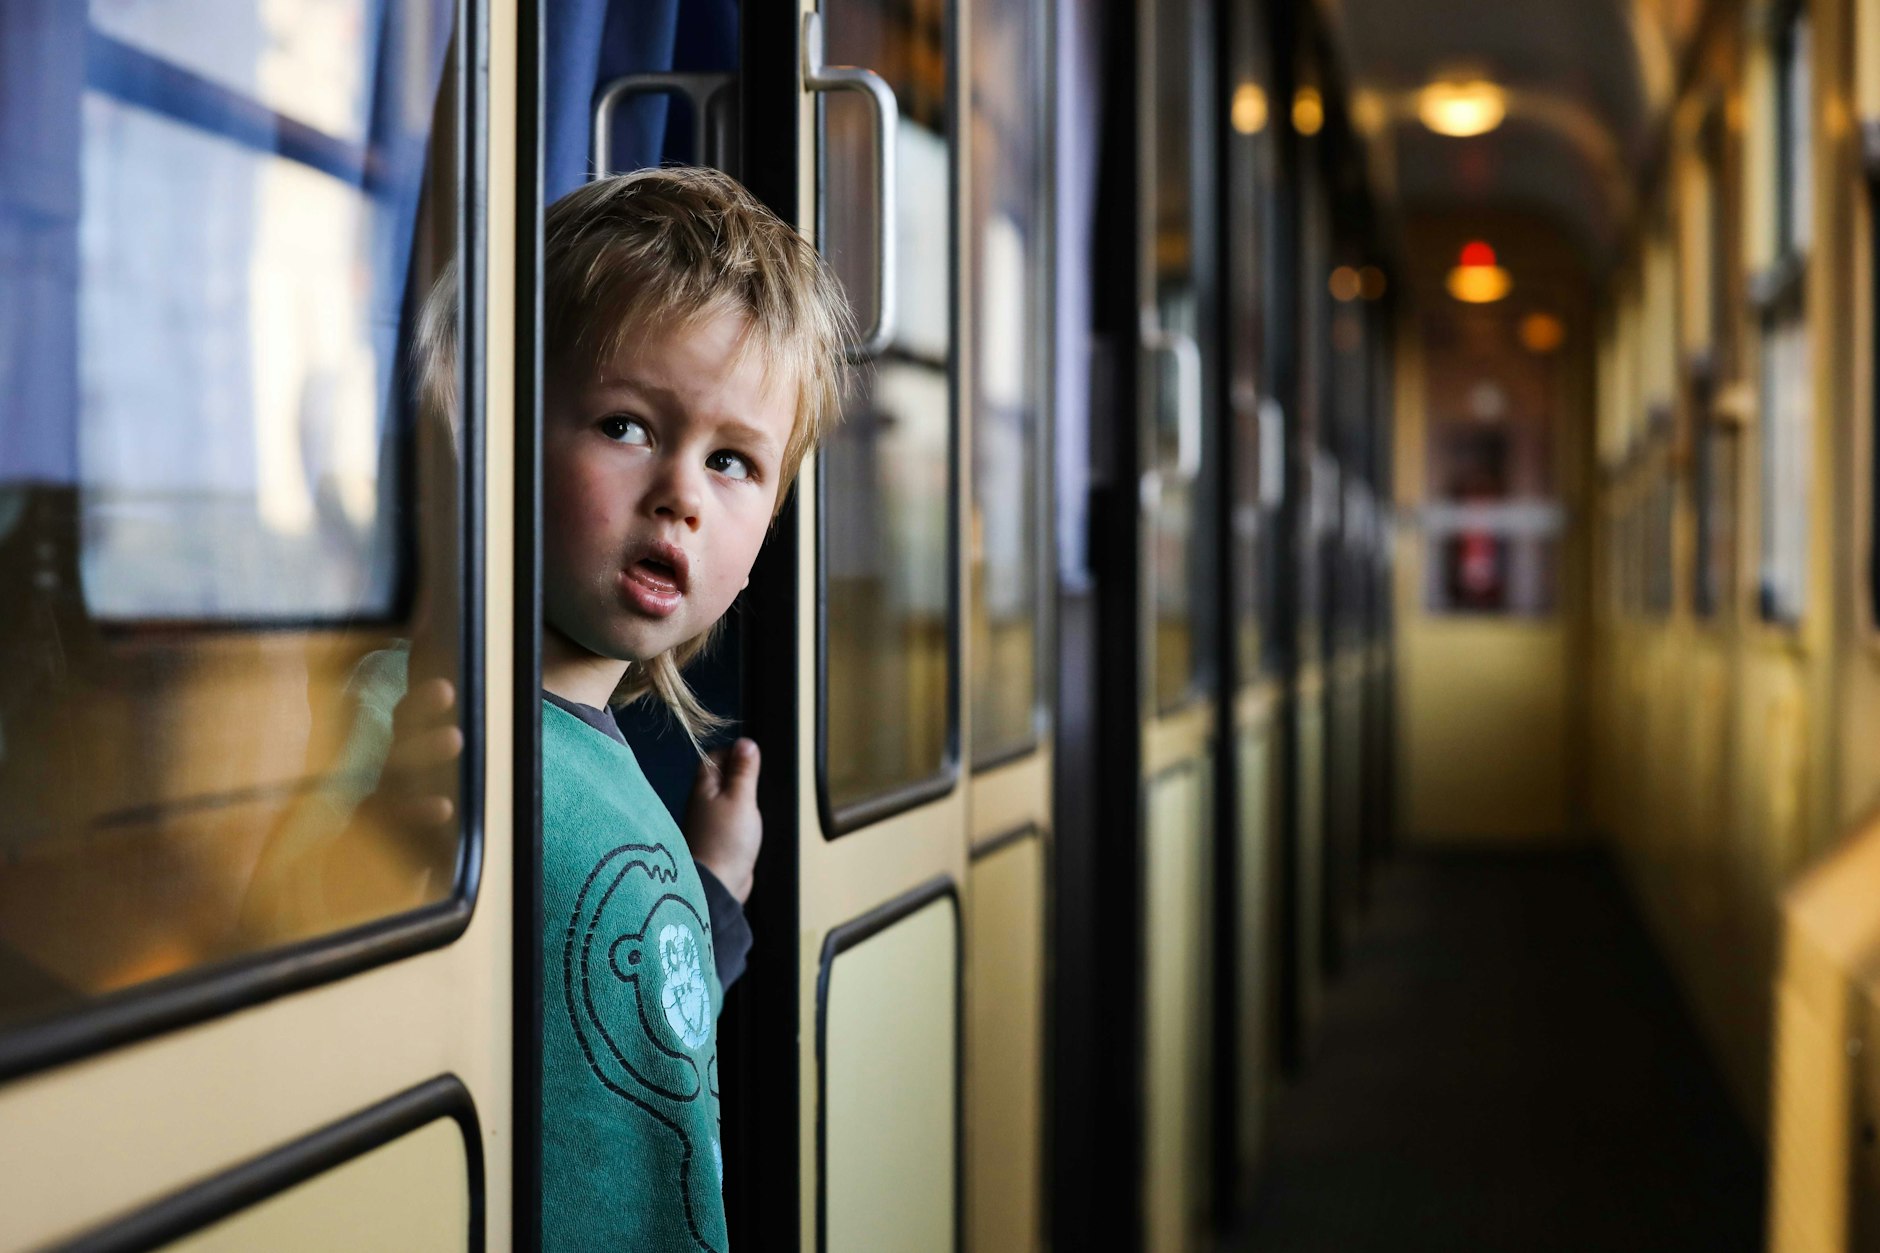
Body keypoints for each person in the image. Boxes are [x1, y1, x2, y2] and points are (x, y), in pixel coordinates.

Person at [247, 167, 852, 1252]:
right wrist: (383, 836)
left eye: (732, 461)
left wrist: (710, 884)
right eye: (625, 425)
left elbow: (637, 1033)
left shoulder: (627, 776)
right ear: (500, 435)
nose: (681, 490)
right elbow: (277, 972)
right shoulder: (407, 712)